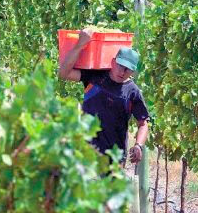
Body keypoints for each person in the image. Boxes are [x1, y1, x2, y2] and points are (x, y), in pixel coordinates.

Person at [59, 27, 150, 165]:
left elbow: (143, 123)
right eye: (121, 66)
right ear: (113, 62)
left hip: (114, 159)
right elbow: (63, 73)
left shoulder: (132, 92)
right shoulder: (94, 77)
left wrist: (138, 145)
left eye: (128, 69)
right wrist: (80, 45)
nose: (123, 72)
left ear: (133, 72)